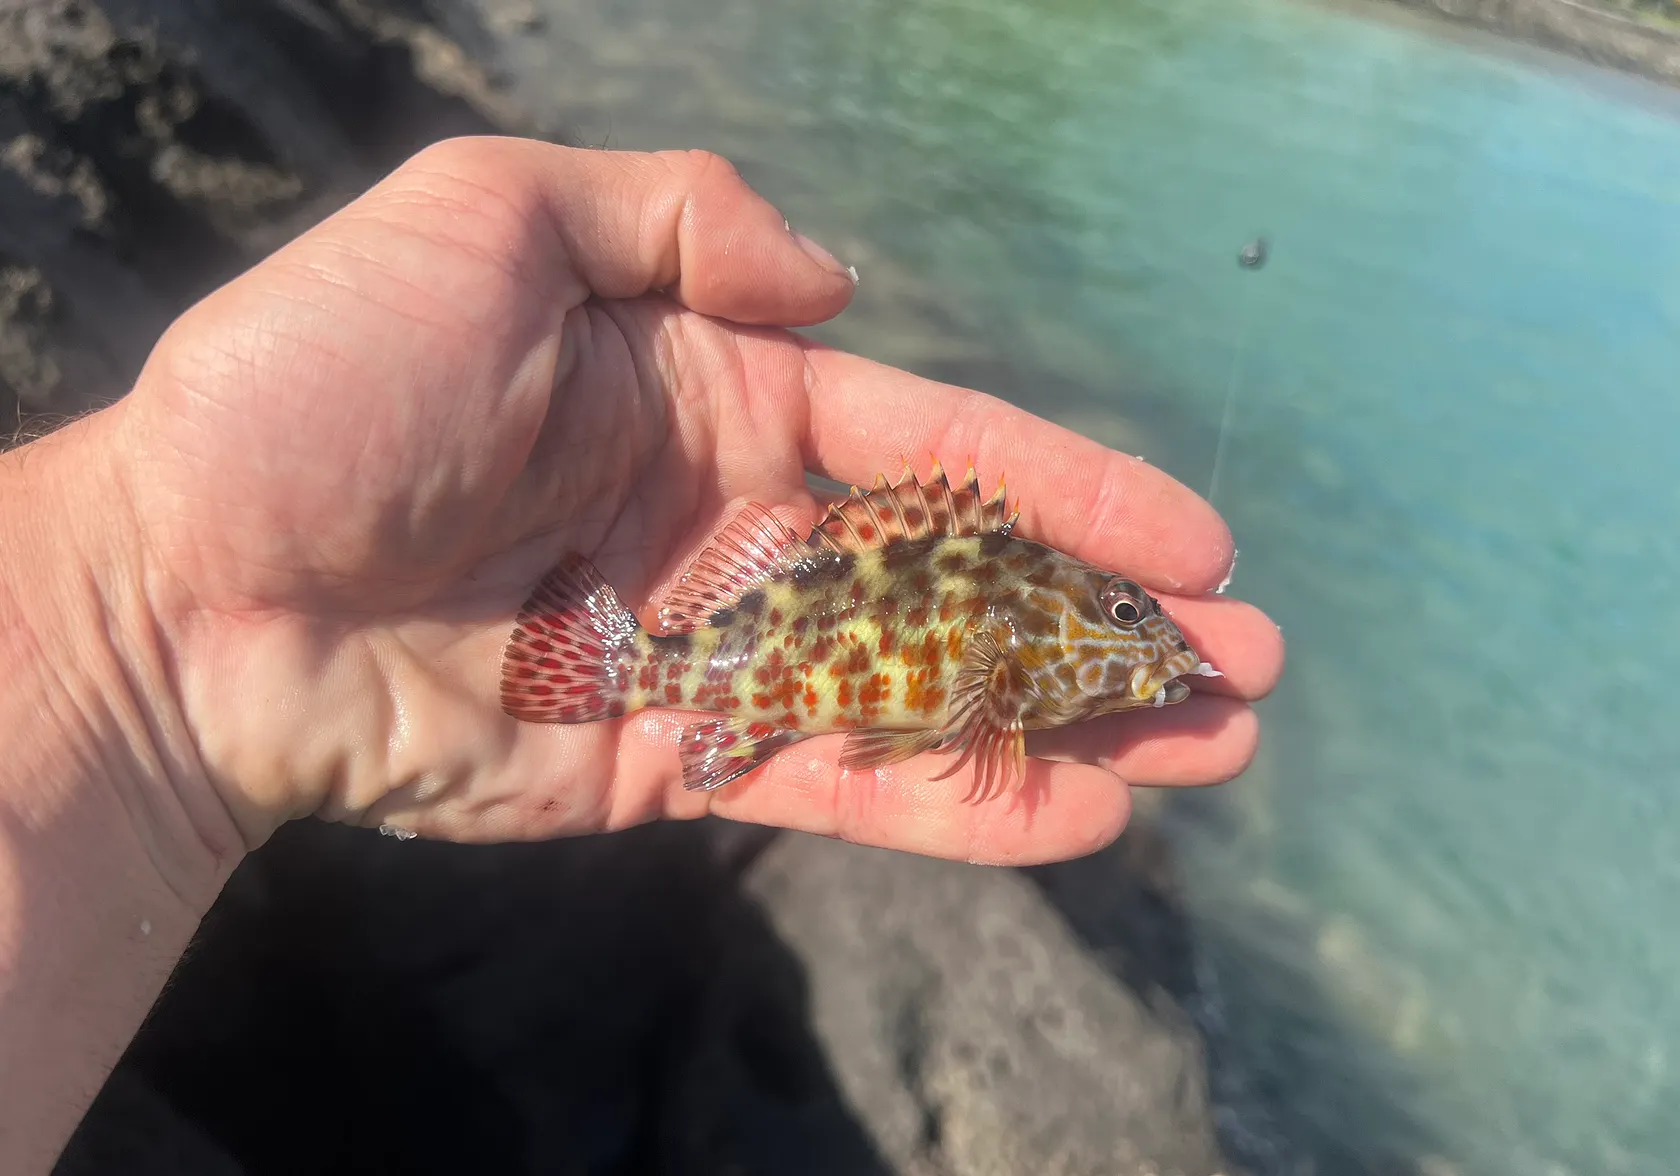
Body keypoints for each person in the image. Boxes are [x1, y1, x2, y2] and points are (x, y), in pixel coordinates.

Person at [0, 137, 1284, 1173]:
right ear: (1050, 619)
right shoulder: (1005, 633)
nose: (1143, 640)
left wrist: (145, 608)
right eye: (1124, 619)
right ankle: (637, 666)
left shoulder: (1023, 635)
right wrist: (152, 587)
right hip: (709, 653)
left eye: (1132, 626)